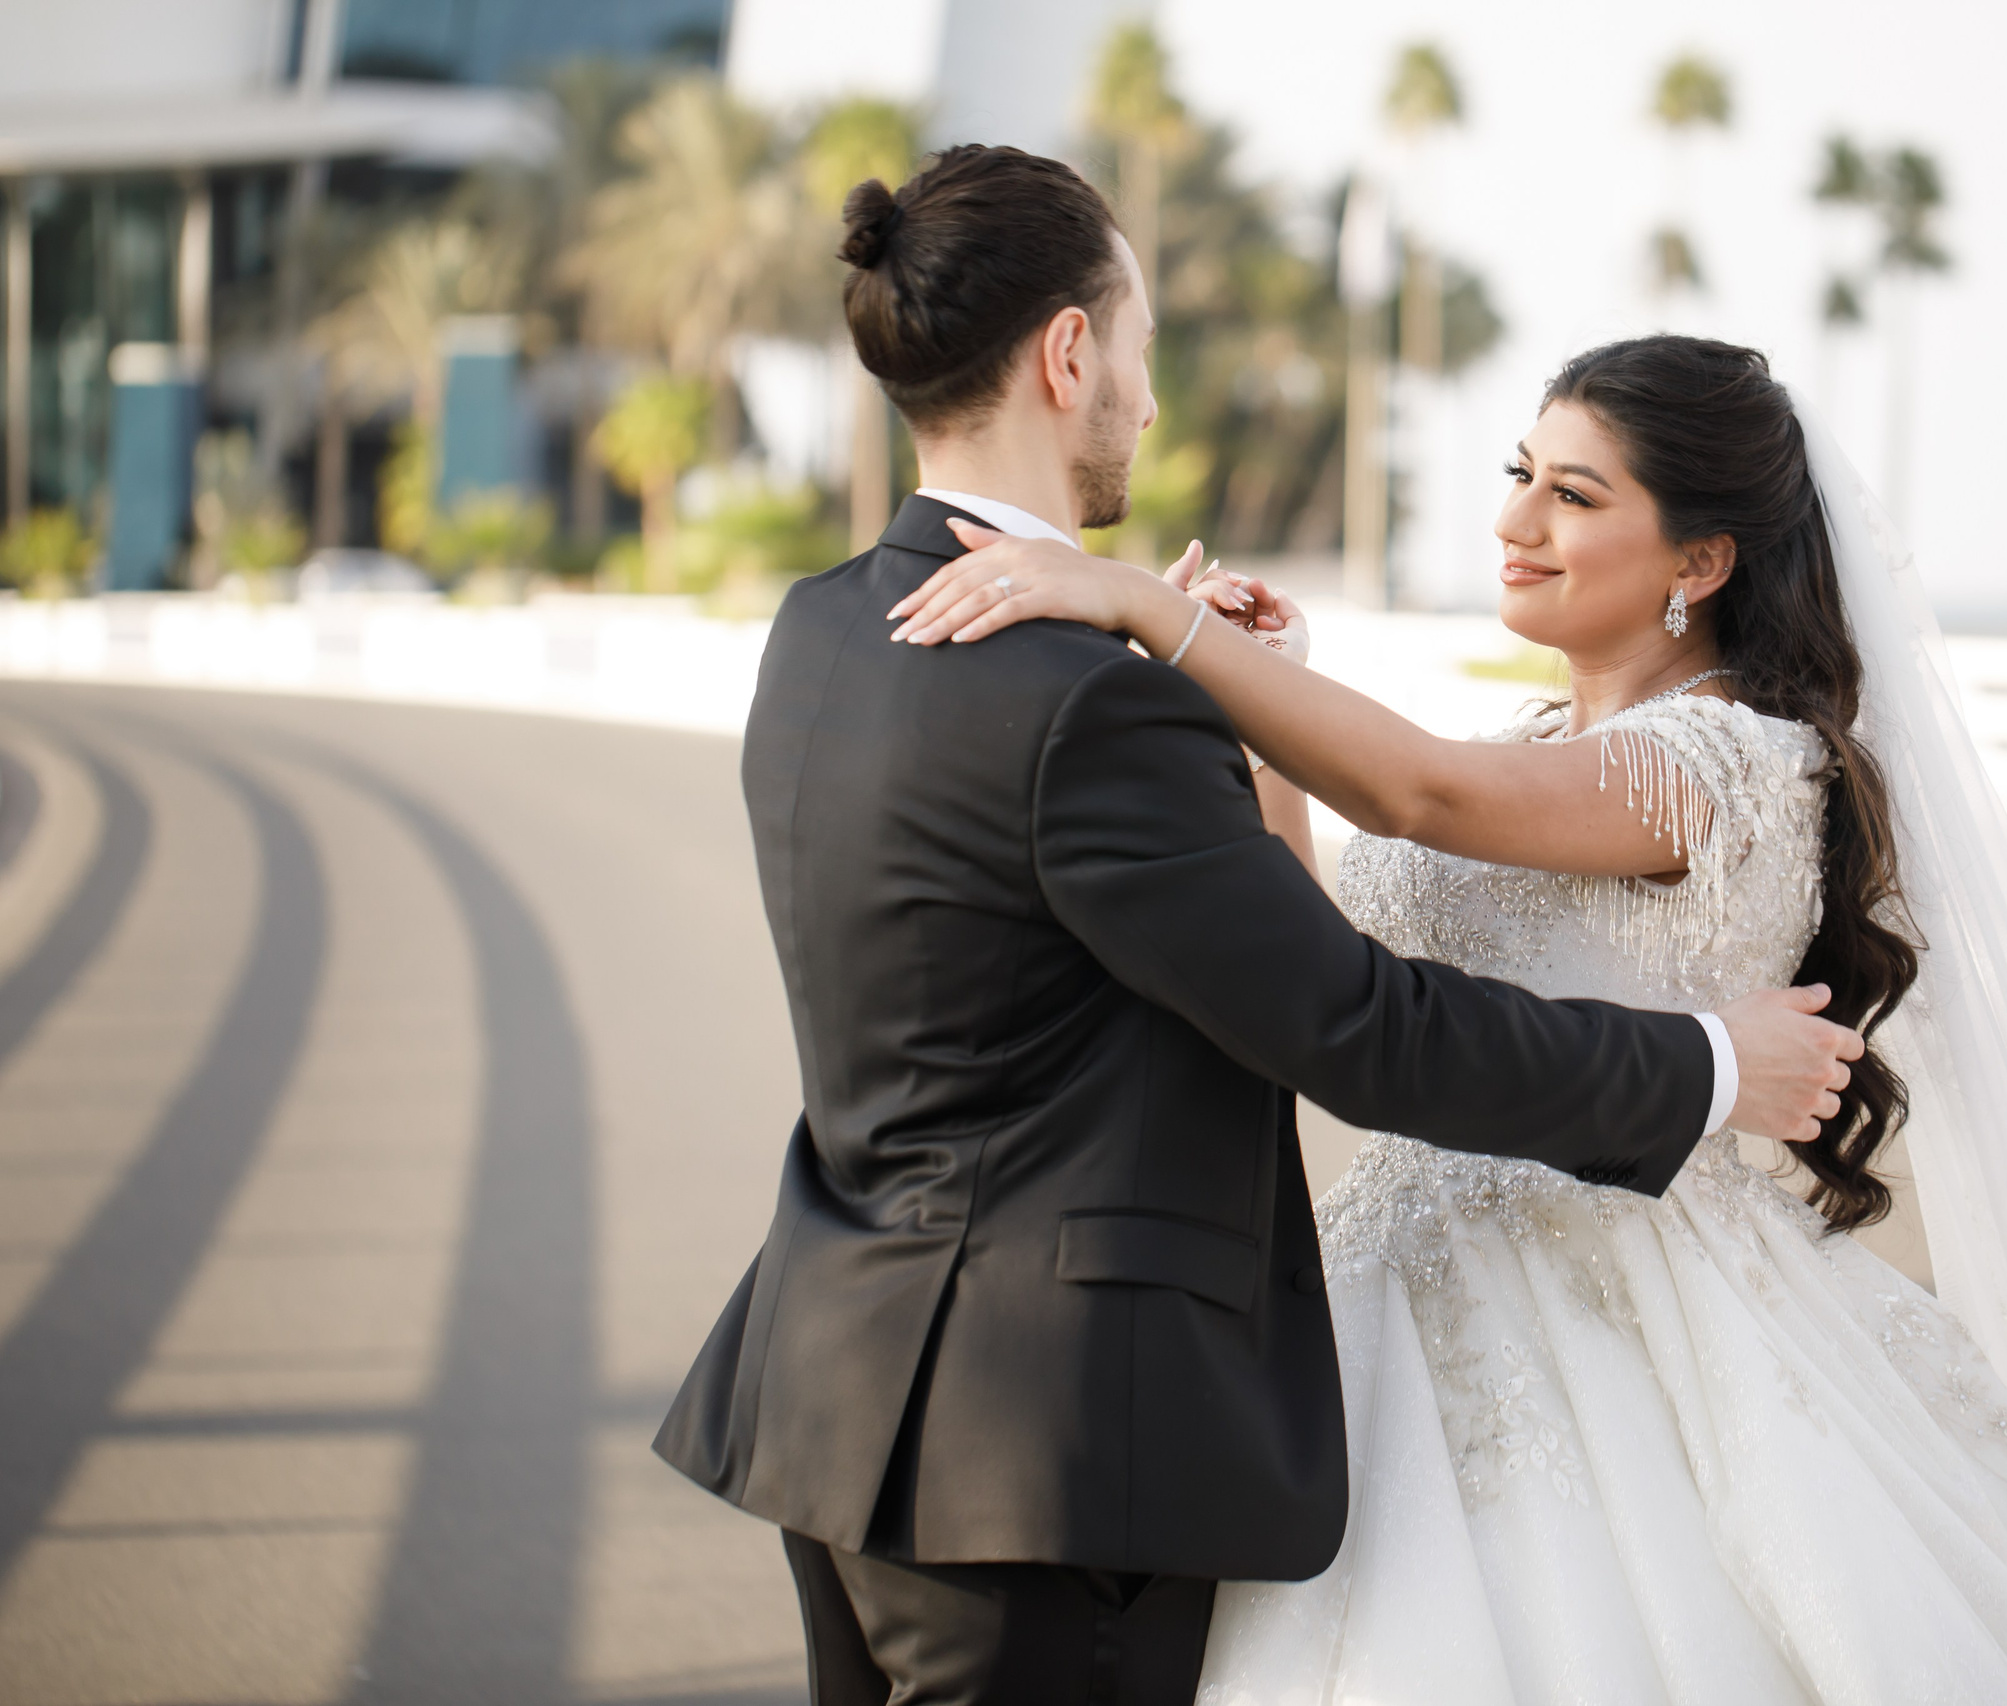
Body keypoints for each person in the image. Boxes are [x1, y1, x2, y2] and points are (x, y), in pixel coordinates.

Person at [894, 337, 2007, 1704]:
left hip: (1629, 1314)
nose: (1513, 522)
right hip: (1399, 1299)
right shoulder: (1535, 746)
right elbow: (1328, 972)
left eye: (1574, 495)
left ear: (1699, 558)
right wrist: (1278, 741)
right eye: (1519, 475)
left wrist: (1137, 612)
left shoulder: (1725, 763)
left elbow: (1426, 790)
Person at [653, 149, 1863, 1706]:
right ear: (1070, 353)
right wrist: (1707, 1066)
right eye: (1141, 351)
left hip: (835, 1391)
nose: (1150, 403)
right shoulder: (1089, 696)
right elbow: (1353, 1018)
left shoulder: (819, 628)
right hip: (1036, 1452)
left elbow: (1254, 937)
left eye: (1573, 489)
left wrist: (1225, 707)